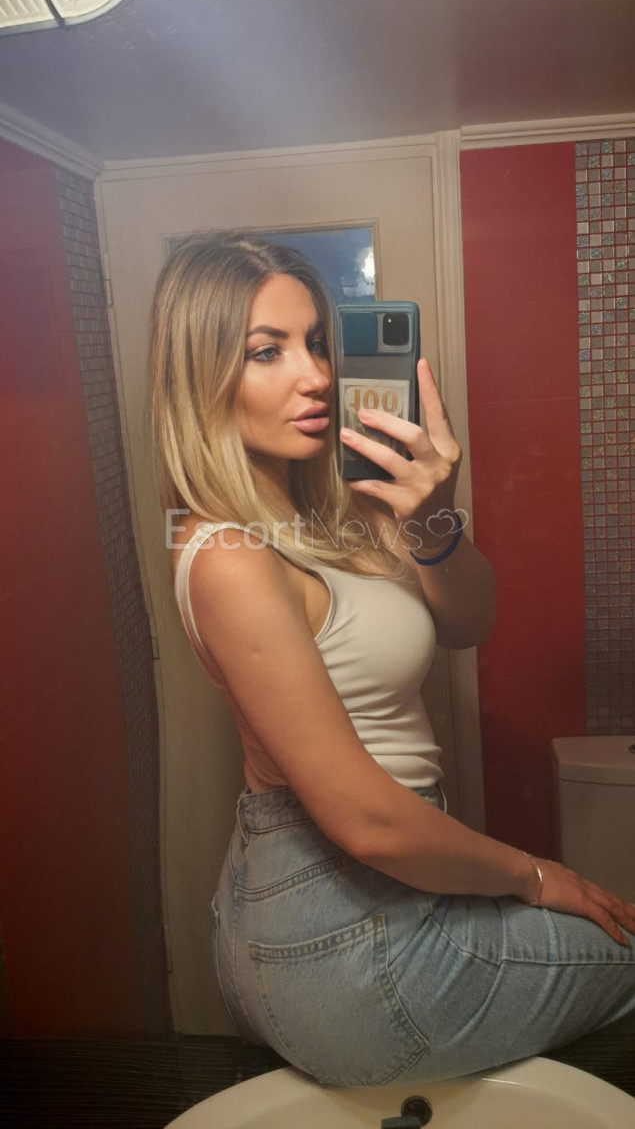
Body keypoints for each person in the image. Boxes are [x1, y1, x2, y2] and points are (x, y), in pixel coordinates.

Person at [148, 230, 635, 1087]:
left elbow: (466, 622)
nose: (315, 375)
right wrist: (533, 875)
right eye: (267, 351)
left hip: (364, 897)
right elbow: (366, 821)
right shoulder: (227, 551)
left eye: (317, 342)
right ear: (199, 376)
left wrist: (433, 511)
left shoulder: (340, 505)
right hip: (339, 927)